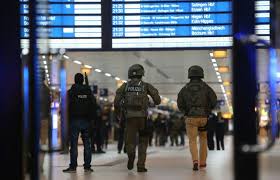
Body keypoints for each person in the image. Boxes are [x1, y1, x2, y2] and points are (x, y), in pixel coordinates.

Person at [114, 64, 161, 172]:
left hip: (129, 118)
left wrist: (119, 115)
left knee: (130, 141)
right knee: (143, 141)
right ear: (142, 74)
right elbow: (158, 101)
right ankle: (141, 165)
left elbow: (116, 102)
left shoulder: (125, 86)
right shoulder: (146, 86)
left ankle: (131, 156)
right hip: (143, 118)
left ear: (130, 74)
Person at [177, 65, 217, 171]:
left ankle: (195, 161)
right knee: (203, 139)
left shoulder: (185, 88)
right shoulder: (206, 87)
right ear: (201, 74)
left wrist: (185, 112)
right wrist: (208, 111)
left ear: (190, 75)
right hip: (203, 117)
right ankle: (203, 163)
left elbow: (179, 103)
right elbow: (214, 100)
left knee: (192, 140)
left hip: (190, 118)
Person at [63, 73, 96, 173]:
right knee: (87, 144)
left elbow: (66, 106)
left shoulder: (71, 92)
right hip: (86, 121)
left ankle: (73, 166)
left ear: (75, 80)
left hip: (74, 121)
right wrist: (92, 119)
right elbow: (93, 105)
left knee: (73, 144)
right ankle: (87, 166)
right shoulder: (88, 91)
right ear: (82, 80)